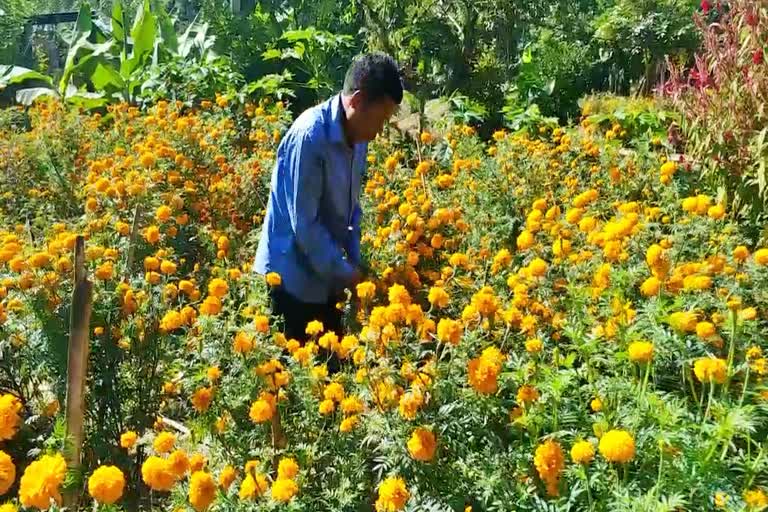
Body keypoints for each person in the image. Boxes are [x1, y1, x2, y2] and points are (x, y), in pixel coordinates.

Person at [253, 52, 403, 349]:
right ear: (357, 101)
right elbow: (305, 226)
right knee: (294, 381)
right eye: (380, 118)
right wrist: (348, 275)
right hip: (291, 280)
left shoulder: (357, 138)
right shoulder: (310, 137)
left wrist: (357, 266)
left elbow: (352, 211)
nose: (380, 130)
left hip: (324, 275)